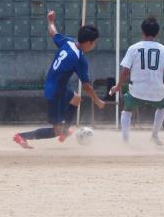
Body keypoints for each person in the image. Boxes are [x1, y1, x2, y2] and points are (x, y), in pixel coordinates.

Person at [13, 11, 106, 148]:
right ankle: (22, 136)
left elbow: (53, 33)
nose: (94, 45)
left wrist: (50, 21)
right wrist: (97, 101)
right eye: (94, 43)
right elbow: (87, 86)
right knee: (56, 131)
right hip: (56, 92)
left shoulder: (68, 42)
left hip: (54, 85)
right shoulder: (79, 59)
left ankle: (65, 131)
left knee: (76, 98)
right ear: (88, 42)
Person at [110, 17, 164, 146]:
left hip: (137, 91)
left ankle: (125, 140)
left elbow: (125, 71)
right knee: (163, 106)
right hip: (157, 92)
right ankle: (154, 135)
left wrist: (118, 86)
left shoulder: (133, 49)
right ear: (157, 34)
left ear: (142, 32)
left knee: (127, 110)